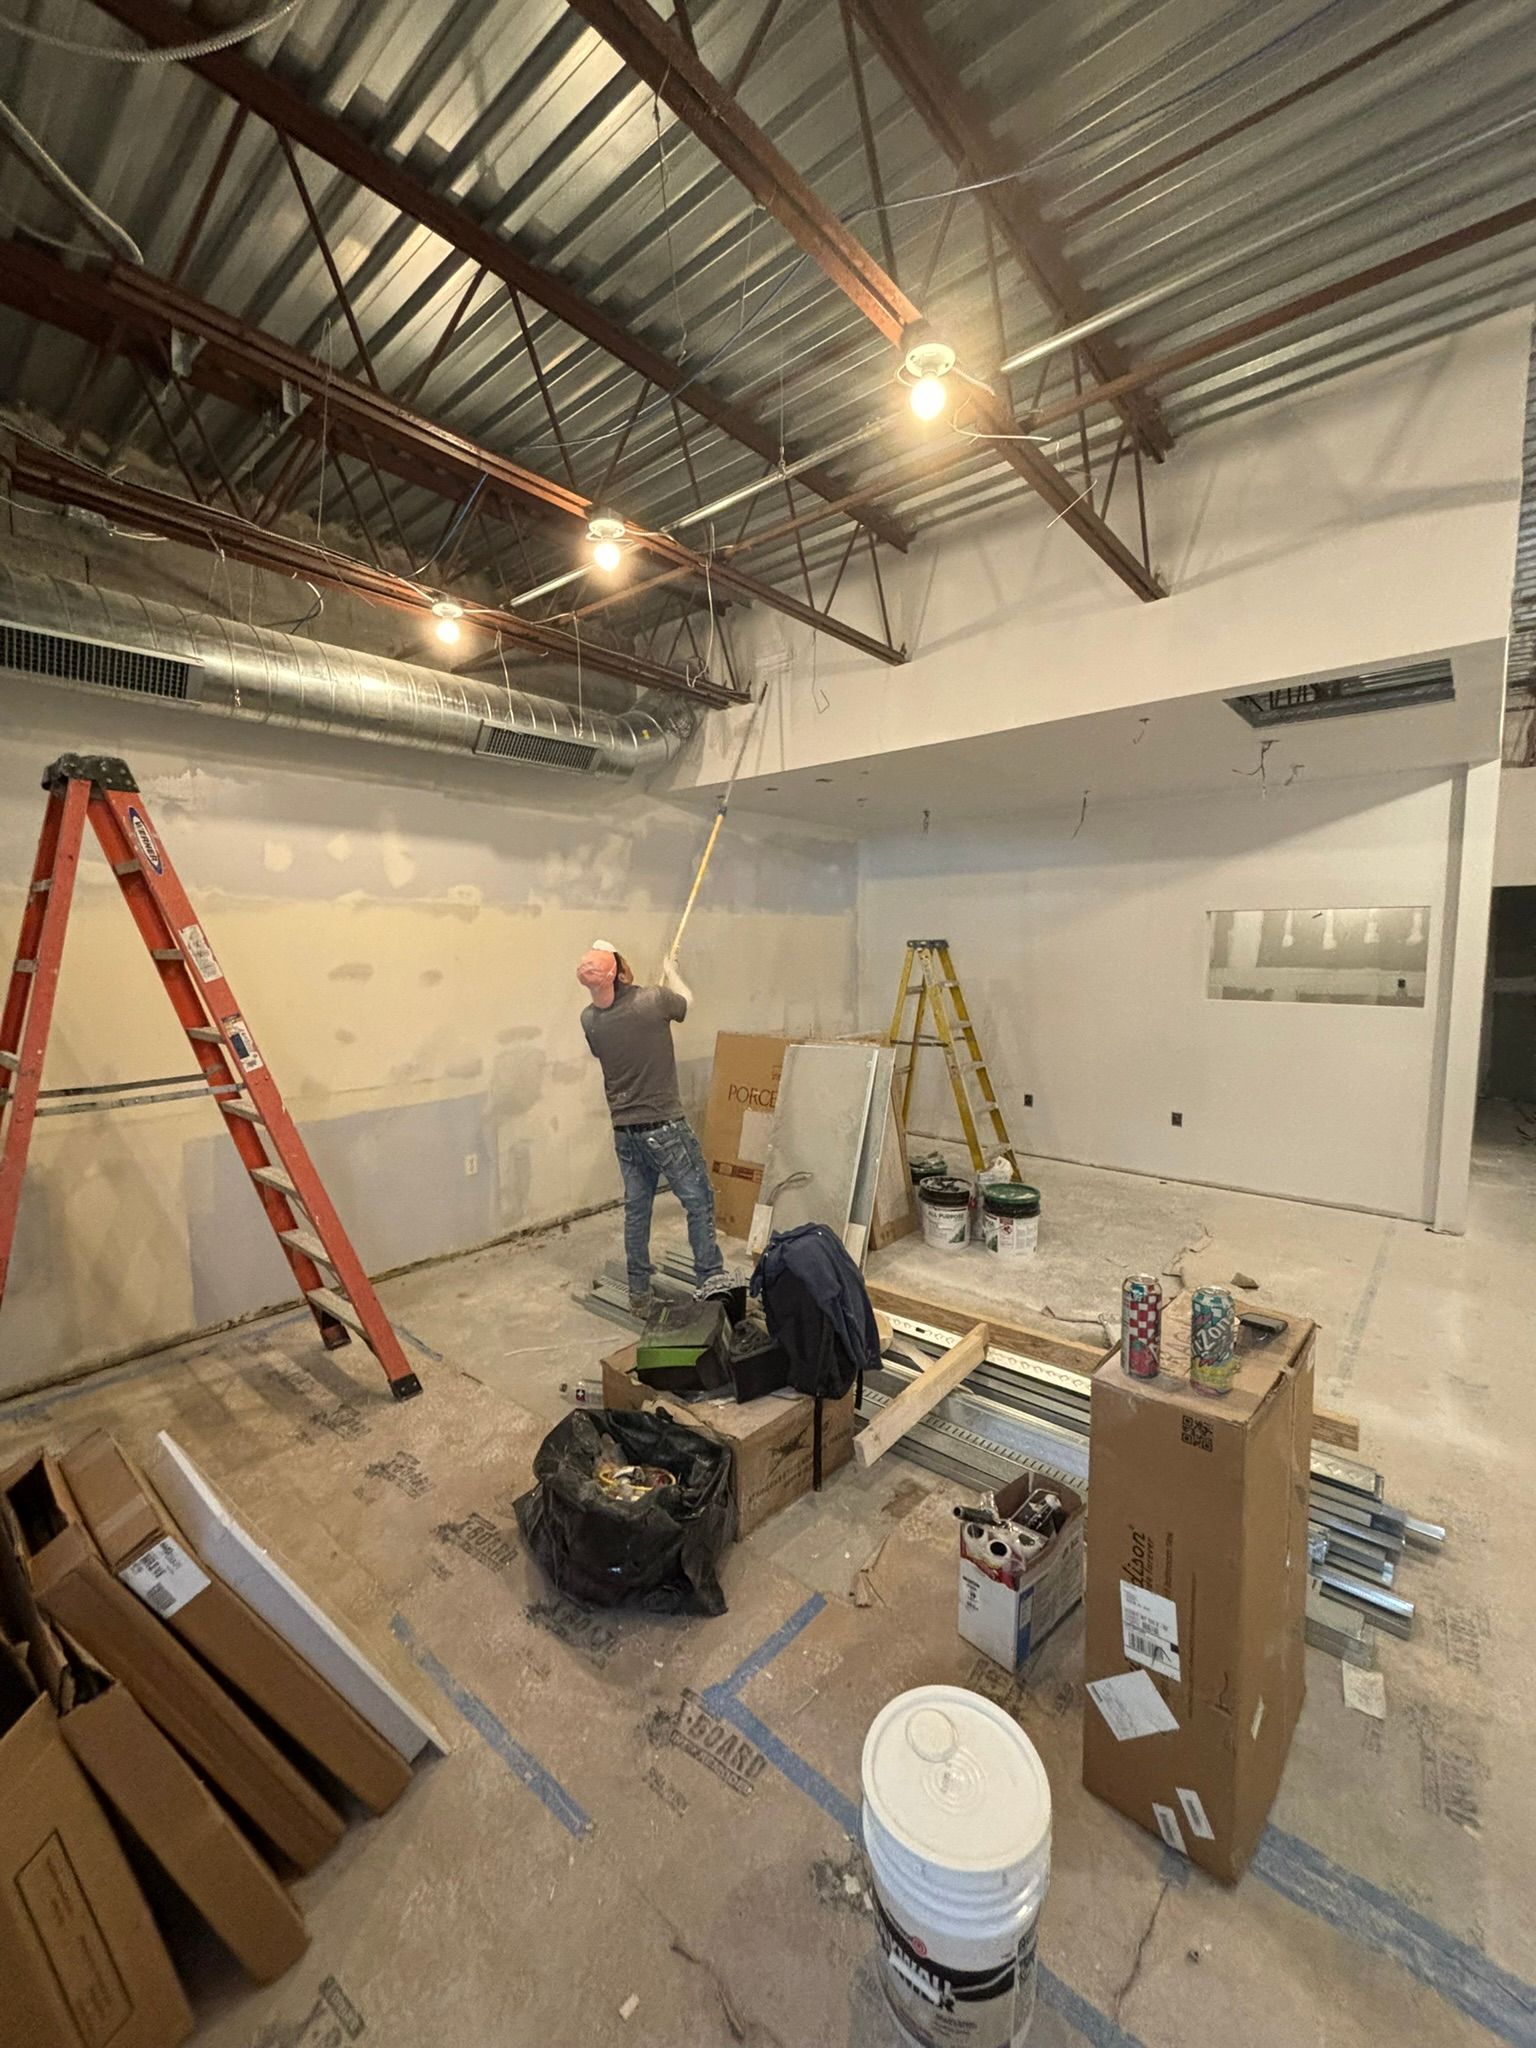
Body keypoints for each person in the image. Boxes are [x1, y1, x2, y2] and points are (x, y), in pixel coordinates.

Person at [578, 939, 724, 1314]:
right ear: (622, 970)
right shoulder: (652, 1001)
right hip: (665, 1127)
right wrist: (672, 972)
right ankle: (712, 1284)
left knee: (637, 1210)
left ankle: (639, 1294)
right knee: (699, 1201)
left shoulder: (590, 1020)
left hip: (625, 1133)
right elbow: (687, 1003)